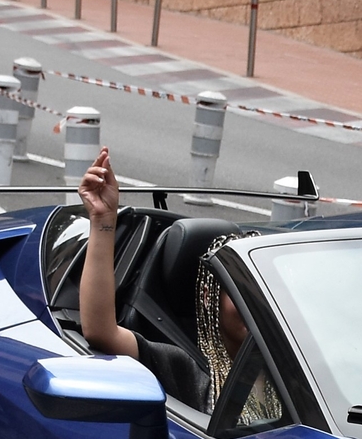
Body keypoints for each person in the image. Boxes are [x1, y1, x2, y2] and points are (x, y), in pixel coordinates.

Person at [76, 148, 274, 421]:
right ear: (209, 297)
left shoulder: (298, 367)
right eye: (242, 291)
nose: (255, 303)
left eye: (263, 291)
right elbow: (100, 330)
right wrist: (103, 220)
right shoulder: (186, 372)